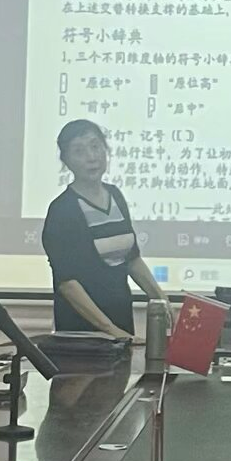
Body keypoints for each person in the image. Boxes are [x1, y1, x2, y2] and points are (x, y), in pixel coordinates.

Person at [40, 119, 161, 339]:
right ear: (66, 160)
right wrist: (110, 330)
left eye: (95, 146)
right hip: (82, 330)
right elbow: (67, 283)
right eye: (79, 151)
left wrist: (161, 299)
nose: (91, 157)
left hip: (121, 318)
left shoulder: (115, 195)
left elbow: (131, 259)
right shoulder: (62, 210)